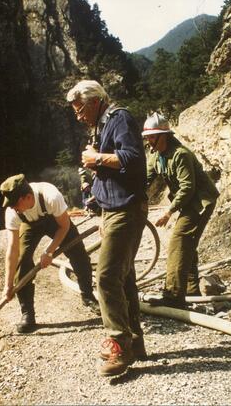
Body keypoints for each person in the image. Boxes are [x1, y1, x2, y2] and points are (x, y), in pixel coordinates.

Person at [67, 80, 148, 377]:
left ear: (94, 101)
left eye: (79, 108)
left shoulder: (119, 118)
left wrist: (96, 158)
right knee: (124, 275)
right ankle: (135, 342)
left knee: (106, 277)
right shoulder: (102, 125)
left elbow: (134, 159)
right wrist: (102, 213)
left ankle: (118, 345)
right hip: (115, 209)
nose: (77, 115)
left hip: (125, 208)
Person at [0, 174, 100, 334]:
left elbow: (64, 226)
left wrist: (49, 251)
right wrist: (8, 285)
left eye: (15, 204)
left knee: (78, 254)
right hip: (29, 225)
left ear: (28, 197)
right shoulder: (13, 211)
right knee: (21, 260)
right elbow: (12, 249)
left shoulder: (50, 195)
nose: (13, 208)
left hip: (56, 222)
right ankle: (27, 314)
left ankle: (88, 296)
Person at [142, 112, 219, 309]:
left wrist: (169, 211)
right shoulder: (156, 156)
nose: (149, 141)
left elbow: (188, 187)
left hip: (201, 201)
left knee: (179, 240)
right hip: (189, 201)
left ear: (164, 135)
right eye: (147, 137)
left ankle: (173, 296)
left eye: (152, 136)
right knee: (187, 243)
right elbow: (146, 181)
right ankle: (191, 290)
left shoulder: (180, 154)